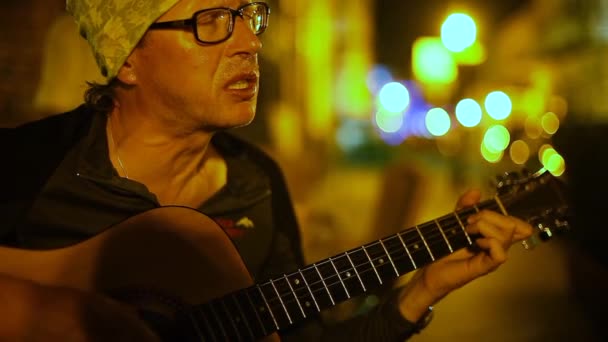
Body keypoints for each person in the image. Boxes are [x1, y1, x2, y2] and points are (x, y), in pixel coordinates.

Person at [0, 0, 533, 341]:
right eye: (211, 21)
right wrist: (53, 313)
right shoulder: (29, 167)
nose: (250, 42)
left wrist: (424, 288)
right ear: (128, 58)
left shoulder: (255, 186)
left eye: (248, 16)